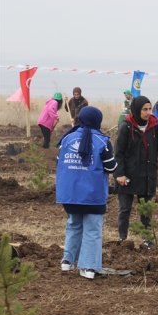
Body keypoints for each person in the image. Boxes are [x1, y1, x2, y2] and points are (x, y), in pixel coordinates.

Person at [56, 106, 117, 279]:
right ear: (97, 121)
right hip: (93, 195)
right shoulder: (103, 141)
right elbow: (110, 167)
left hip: (70, 194)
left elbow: (59, 162)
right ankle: (88, 267)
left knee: (73, 225)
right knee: (92, 230)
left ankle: (67, 261)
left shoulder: (66, 139)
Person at [114, 96, 158, 247]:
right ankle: (122, 238)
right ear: (136, 110)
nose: (148, 112)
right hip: (128, 174)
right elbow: (118, 153)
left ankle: (147, 240)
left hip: (147, 173)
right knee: (125, 209)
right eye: (144, 109)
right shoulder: (126, 127)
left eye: (149, 109)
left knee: (146, 210)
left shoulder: (154, 126)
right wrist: (119, 174)